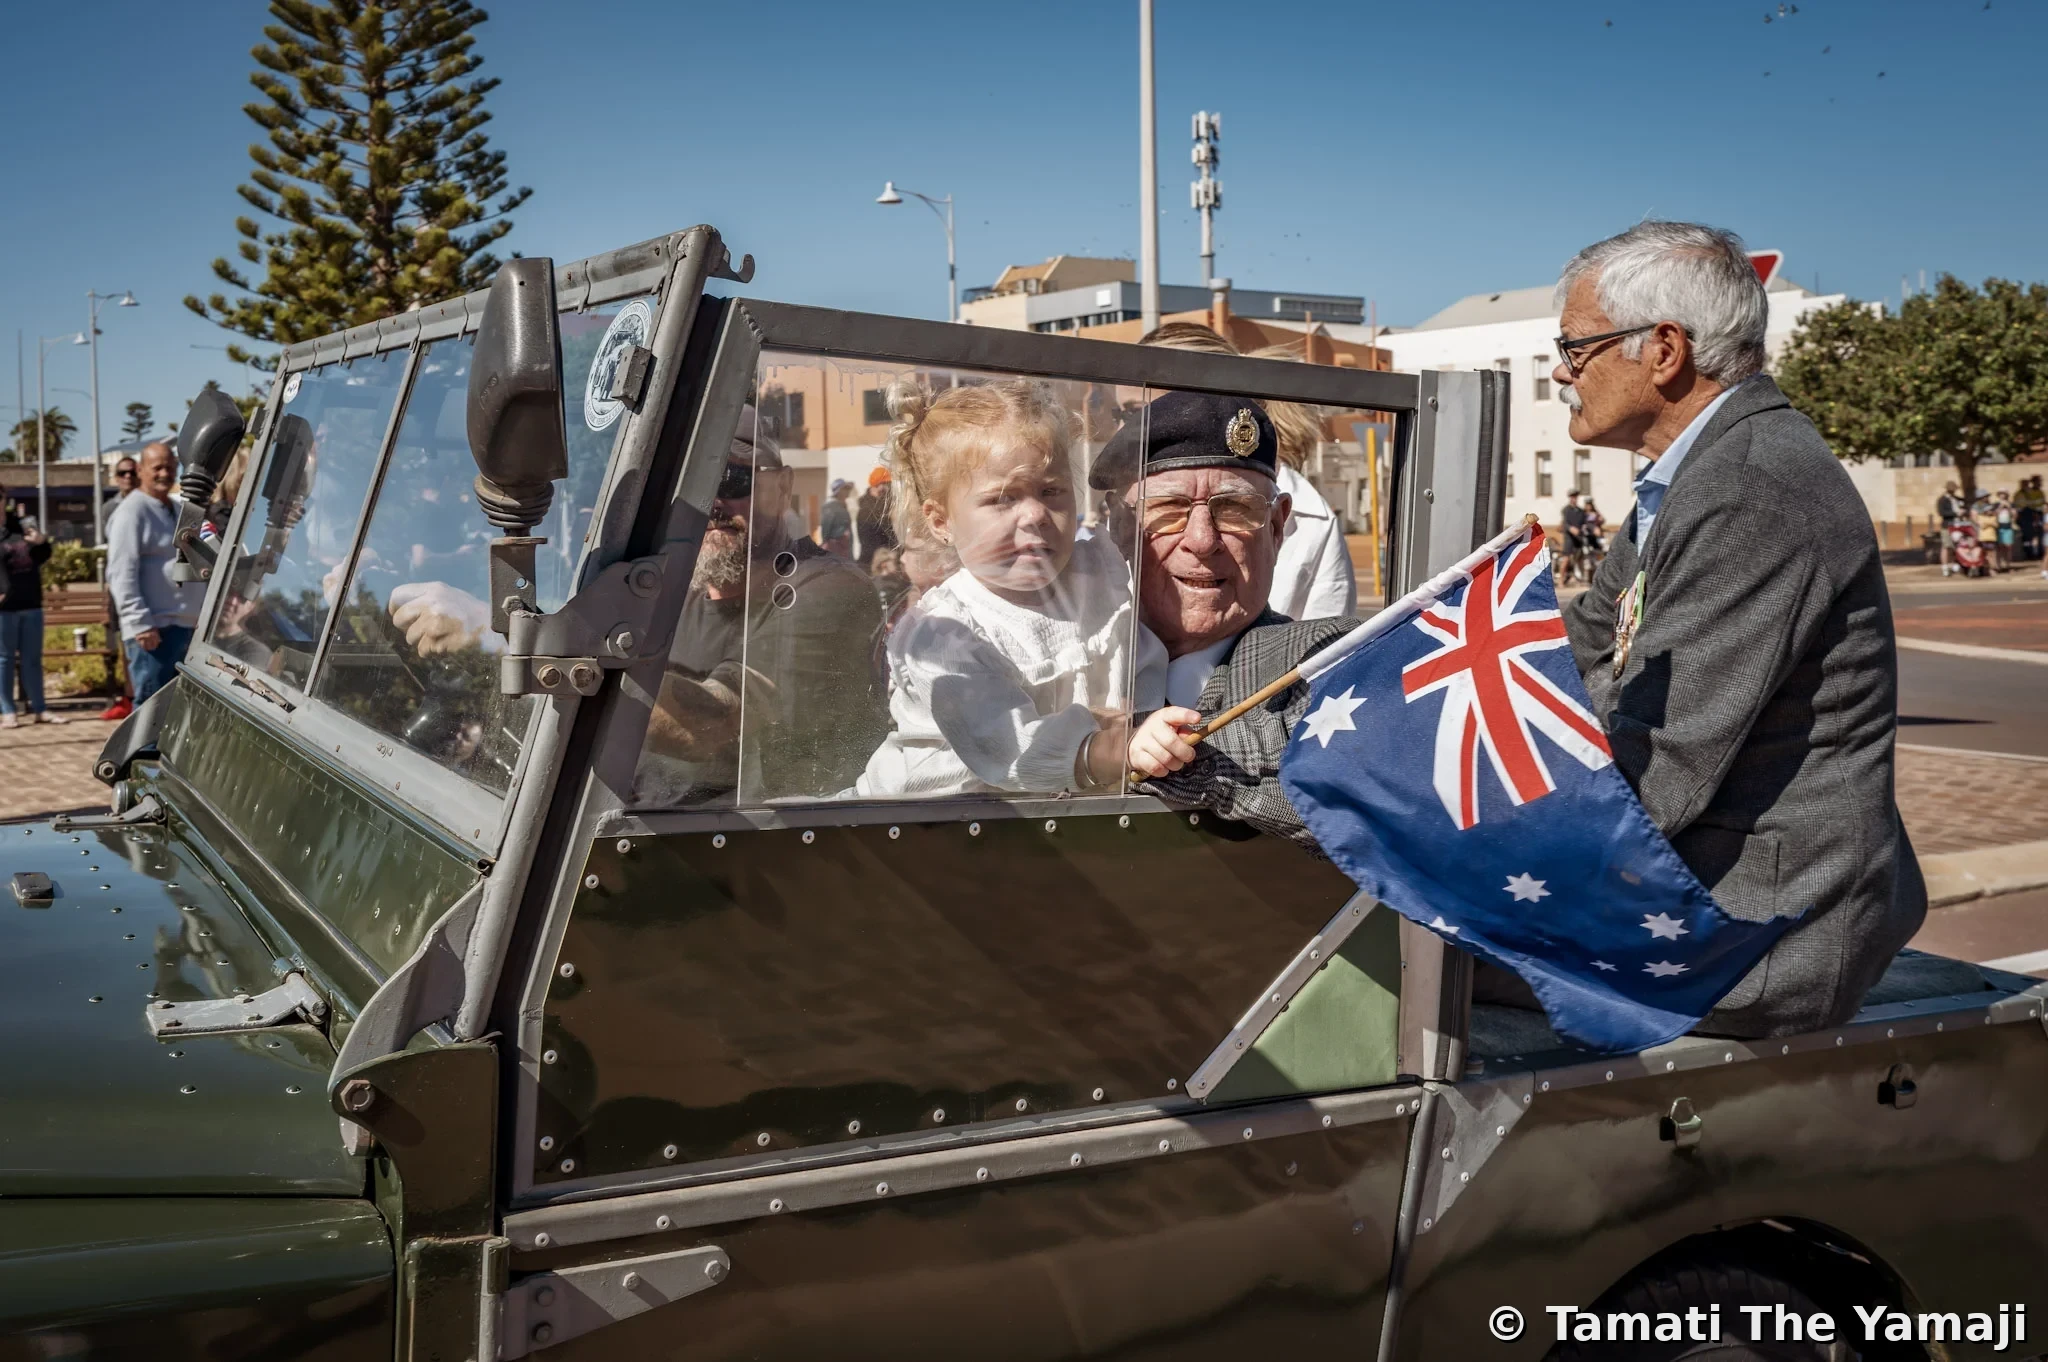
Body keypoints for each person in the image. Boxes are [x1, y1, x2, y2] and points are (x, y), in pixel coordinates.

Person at [1155, 221, 1925, 1040]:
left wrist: (1353, 789)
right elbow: (1582, 642)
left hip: (1751, 933)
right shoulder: (1707, 468)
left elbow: (1656, 776)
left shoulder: (1751, 488)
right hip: (1710, 893)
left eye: (1576, 348)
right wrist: (1301, 670)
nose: (1560, 371)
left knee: (1382, 952)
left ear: (1663, 350)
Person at [853, 379, 1174, 798]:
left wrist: (1149, 722)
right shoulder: (944, 632)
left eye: (1052, 491)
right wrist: (1105, 747)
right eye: (1003, 498)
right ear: (940, 521)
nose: (1036, 514)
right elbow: (1005, 744)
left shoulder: (1101, 575)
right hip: (927, 828)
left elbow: (1143, 660)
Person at [637, 410, 887, 805]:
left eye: (732, 479)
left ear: (784, 486)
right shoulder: (674, 600)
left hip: (760, 846)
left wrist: (578, 672)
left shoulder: (829, 589)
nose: (710, 505)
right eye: (691, 488)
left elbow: (708, 723)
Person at [1134, 323, 1358, 620]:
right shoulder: (1123, 492)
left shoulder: (1309, 517)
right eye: (1125, 412)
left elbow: (1323, 648)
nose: (1202, 540)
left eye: (1166, 413)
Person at [107, 442, 205, 705]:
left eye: (171, 468)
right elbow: (120, 572)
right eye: (157, 468)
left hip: (183, 627)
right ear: (140, 470)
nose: (165, 473)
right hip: (154, 631)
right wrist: (140, 622)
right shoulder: (132, 512)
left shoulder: (175, 508)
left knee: (174, 715)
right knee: (151, 717)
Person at [0, 505, 61, 728]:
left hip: (31, 604)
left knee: (32, 660)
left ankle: (40, 709)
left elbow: (43, 556)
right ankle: (8, 711)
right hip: (4, 609)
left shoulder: (22, 526)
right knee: (4, 661)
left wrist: (42, 541)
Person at [855, 467, 896, 569]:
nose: (884, 488)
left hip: (881, 558)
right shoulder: (867, 507)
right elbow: (885, 533)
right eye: (880, 484)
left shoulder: (882, 503)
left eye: (886, 484)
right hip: (872, 561)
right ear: (875, 485)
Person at [1935, 481, 1965, 575]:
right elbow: (1942, 513)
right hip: (1947, 525)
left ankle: (1954, 563)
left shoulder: (1957, 499)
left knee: (1955, 545)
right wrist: (1956, 513)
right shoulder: (1942, 500)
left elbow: (1964, 504)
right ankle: (1945, 566)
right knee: (1946, 545)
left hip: (1958, 524)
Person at [820, 478, 855, 557]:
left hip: (845, 550)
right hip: (835, 549)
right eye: (845, 489)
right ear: (839, 491)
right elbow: (825, 531)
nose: (848, 491)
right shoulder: (830, 507)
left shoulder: (843, 506)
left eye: (848, 489)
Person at [1559, 489, 1588, 582]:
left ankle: (1580, 579)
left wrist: (1585, 528)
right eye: (1572, 497)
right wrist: (1571, 528)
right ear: (1570, 498)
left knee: (1579, 559)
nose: (1574, 499)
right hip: (1569, 538)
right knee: (1566, 559)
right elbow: (1565, 523)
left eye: (1575, 497)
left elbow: (1584, 523)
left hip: (1579, 538)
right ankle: (1561, 580)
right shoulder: (1566, 510)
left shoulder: (1581, 511)